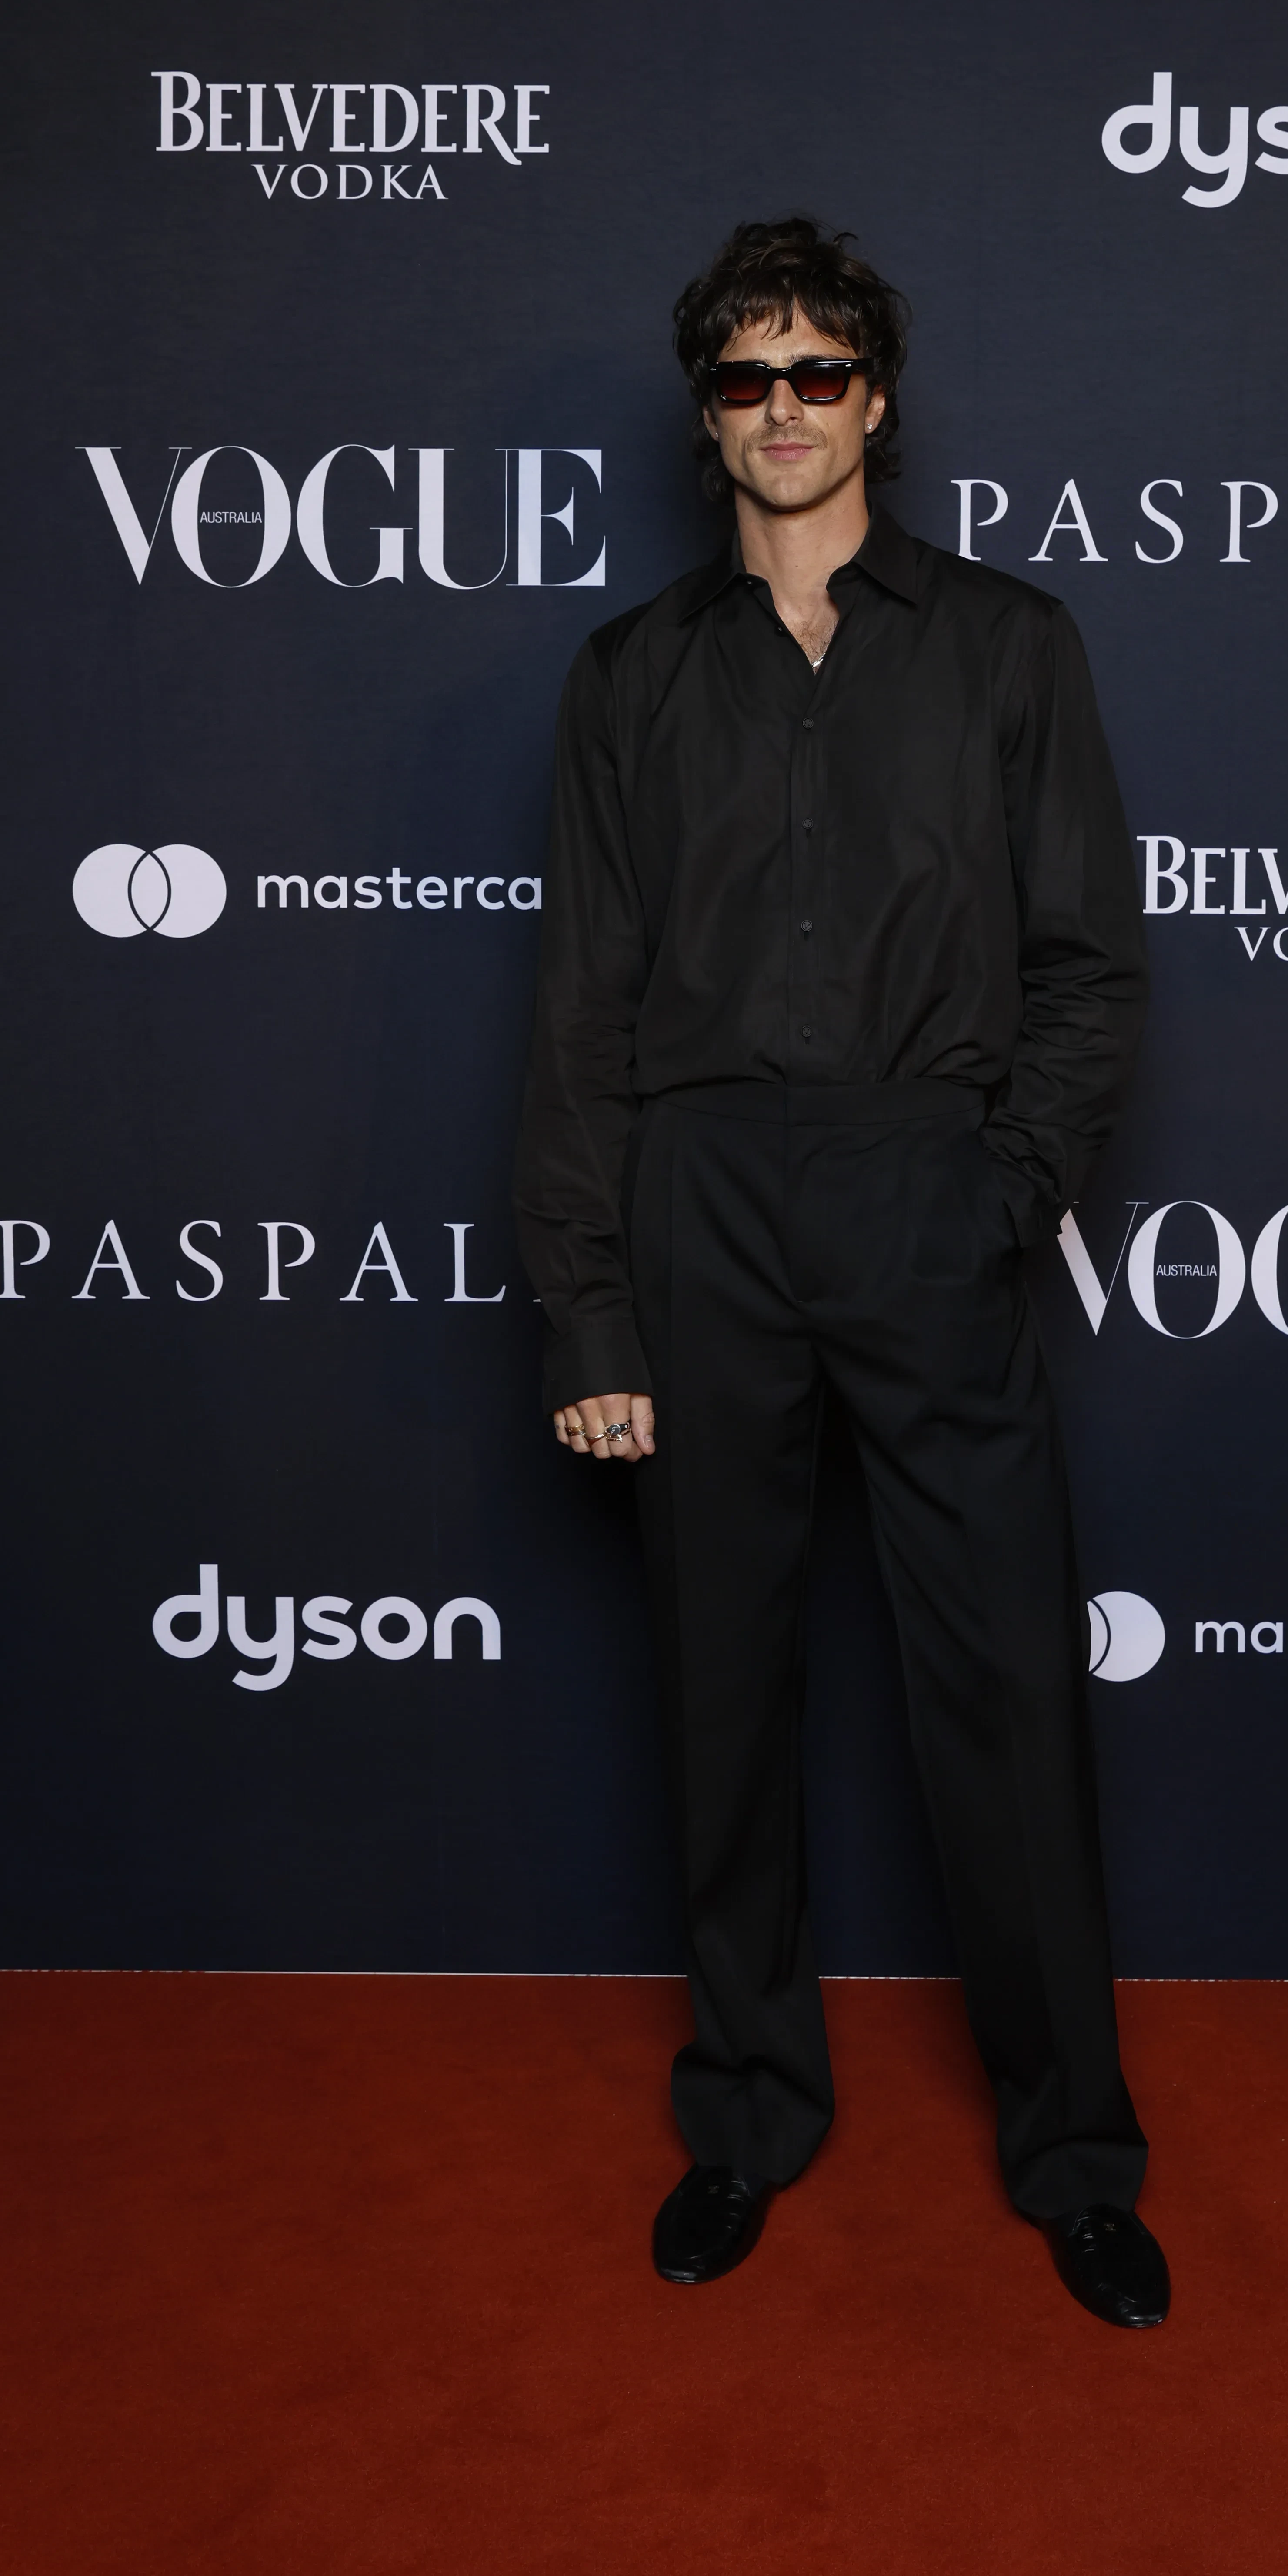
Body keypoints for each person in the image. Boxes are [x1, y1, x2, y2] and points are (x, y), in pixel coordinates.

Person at [513, 217, 1168, 2328]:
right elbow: (579, 1011)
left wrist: (995, 1193)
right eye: (743, 377)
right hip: (696, 1199)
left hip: (923, 1189)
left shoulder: (1005, 647)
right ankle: (744, 2117)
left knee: (1005, 1695)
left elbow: (1086, 968)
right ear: (704, 416)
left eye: (815, 372)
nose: (780, 408)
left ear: (873, 398)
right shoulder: (627, 678)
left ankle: (1072, 2152)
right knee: (720, 1693)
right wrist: (591, 1300)